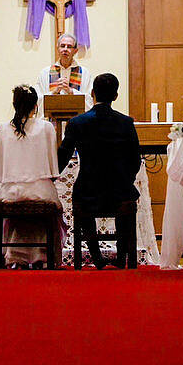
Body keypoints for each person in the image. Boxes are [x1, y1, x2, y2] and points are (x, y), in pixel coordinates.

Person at [58, 74, 141, 268]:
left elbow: (62, 157)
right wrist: (125, 180)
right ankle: (121, 257)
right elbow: (135, 160)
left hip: (88, 191)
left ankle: (97, 258)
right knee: (124, 199)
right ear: (116, 96)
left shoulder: (77, 123)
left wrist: (50, 176)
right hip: (120, 191)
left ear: (92, 93)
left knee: (82, 203)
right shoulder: (126, 123)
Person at [0, 86, 64, 268]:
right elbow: (53, 166)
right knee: (49, 207)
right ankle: (42, 255)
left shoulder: (3, 129)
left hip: (12, 191)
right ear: (35, 105)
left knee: (16, 213)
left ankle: (16, 255)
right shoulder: (46, 128)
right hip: (41, 190)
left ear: (14, 104)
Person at [36, 33, 89, 100]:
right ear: (57, 48)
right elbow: (38, 99)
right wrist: (54, 92)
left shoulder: (84, 73)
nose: (65, 49)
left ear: (75, 51)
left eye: (69, 46)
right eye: (62, 46)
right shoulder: (45, 73)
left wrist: (71, 91)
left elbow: (90, 99)